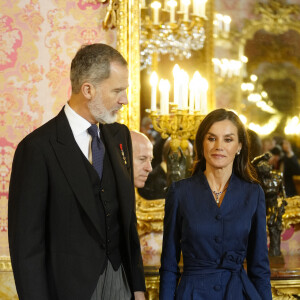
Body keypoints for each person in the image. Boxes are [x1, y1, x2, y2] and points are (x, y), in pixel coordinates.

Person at [8, 43, 146, 300]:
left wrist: (137, 287)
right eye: (117, 90)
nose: (124, 99)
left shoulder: (120, 136)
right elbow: (26, 246)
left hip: (121, 284)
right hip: (68, 289)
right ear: (88, 89)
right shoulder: (37, 148)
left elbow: (127, 222)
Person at [159, 108, 272, 299]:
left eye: (228, 139)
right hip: (192, 293)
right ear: (201, 144)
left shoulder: (253, 194)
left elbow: (259, 266)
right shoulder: (180, 192)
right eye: (211, 138)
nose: (219, 146)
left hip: (238, 293)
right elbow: (169, 265)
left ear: (239, 147)